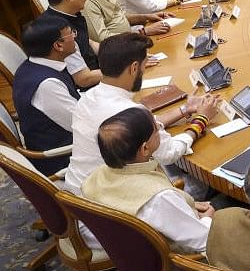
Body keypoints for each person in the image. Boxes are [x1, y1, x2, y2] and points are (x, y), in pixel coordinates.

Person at [65, 32, 221, 201]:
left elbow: (140, 128)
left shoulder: (87, 98)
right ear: (133, 68)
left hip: (79, 193)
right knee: (203, 184)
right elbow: (169, 153)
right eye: (144, 64)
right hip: (114, 203)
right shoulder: (130, 110)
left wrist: (185, 109)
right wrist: (202, 120)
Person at [83, 107, 213, 253]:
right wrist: (207, 218)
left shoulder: (96, 175)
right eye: (156, 130)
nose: (159, 126)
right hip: (179, 257)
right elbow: (205, 242)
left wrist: (181, 205)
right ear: (145, 149)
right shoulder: (160, 198)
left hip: (126, 250)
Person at [12, 16, 81, 175]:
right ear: (58, 45)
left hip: (67, 139)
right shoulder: (46, 85)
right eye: (72, 34)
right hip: (64, 158)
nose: (75, 37)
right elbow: (82, 125)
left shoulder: (34, 64)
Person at [41, 0, 100, 76]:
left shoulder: (69, 14)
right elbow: (83, 78)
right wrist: (117, 71)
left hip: (94, 69)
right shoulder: (58, 32)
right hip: (82, 87)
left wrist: (112, 52)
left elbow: (87, 41)